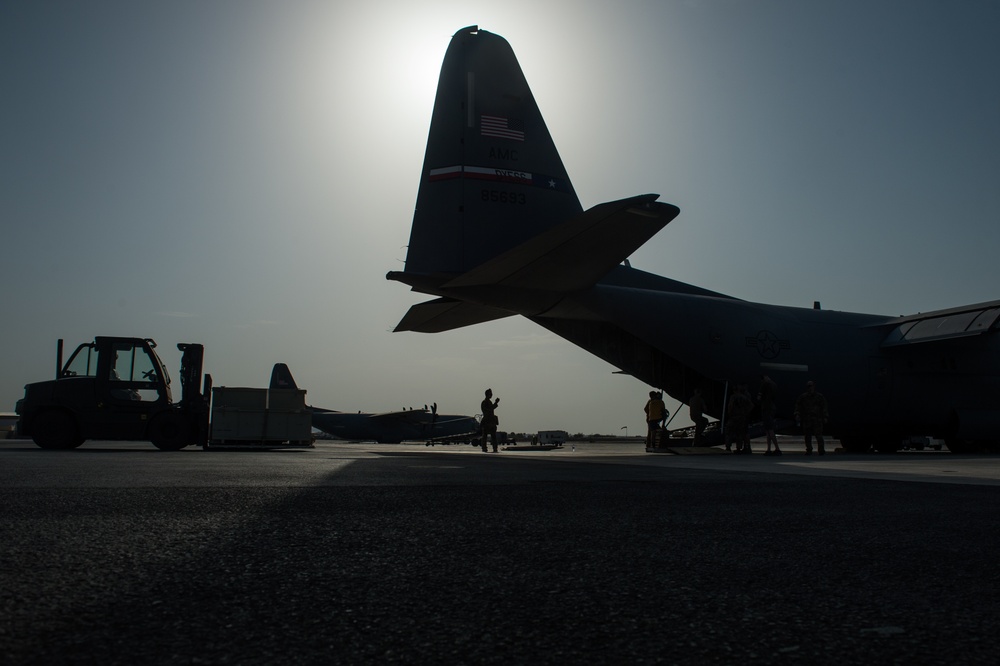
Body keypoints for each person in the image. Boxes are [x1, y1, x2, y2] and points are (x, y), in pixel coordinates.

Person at [794, 380, 829, 455]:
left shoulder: (819, 397)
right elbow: (798, 406)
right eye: (808, 386)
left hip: (817, 419)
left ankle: (821, 449)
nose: (810, 388)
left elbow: (824, 407)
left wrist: (825, 416)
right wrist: (797, 414)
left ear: (814, 386)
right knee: (807, 436)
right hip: (807, 419)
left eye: (811, 386)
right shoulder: (803, 397)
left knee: (819, 435)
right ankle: (809, 449)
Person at [726, 384, 753, 453]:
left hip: (734, 416)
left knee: (730, 432)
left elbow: (730, 406)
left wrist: (729, 413)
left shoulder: (733, 397)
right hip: (742, 417)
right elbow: (751, 405)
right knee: (740, 433)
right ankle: (738, 448)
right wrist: (746, 412)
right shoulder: (745, 397)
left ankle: (728, 447)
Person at [758, 375, 781, 456]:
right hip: (772, 407)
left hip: (766, 408)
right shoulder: (774, 384)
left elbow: (759, 397)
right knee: (768, 430)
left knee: (769, 429)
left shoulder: (765, 384)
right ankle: (769, 449)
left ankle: (777, 448)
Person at [480, 388, 501, 453]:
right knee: (485, 436)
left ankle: (494, 448)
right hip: (487, 421)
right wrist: (496, 403)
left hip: (491, 421)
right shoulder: (485, 402)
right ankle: (484, 448)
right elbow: (489, 409)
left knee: (493, 436)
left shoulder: (488, 402)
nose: (491, 395)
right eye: (490, 394)